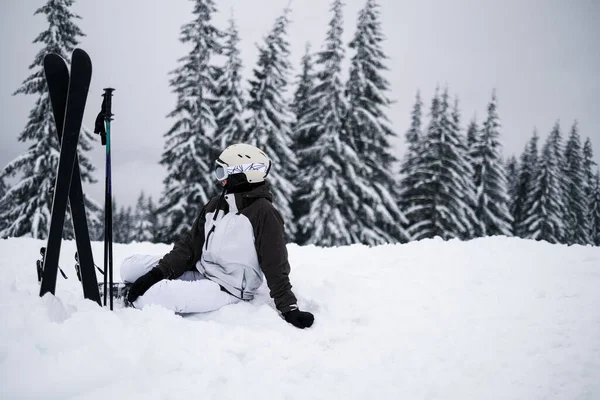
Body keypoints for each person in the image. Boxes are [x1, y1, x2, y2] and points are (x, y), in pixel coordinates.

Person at [121, 143, 314, 329]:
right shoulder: (216, 205)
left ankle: (131, 295)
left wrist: (289, 309)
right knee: (128, 267)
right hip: (200, 270)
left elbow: (275, 264)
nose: (219, 179)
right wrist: (157, 273)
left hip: (227, 287)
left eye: (223, 172)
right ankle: (139, 288)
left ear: (242, 174)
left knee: (153, 296)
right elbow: (189, 247)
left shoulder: (264, 213)